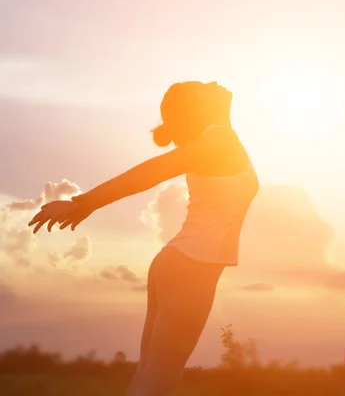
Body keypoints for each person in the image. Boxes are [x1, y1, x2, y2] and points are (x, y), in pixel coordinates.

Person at [28, 81, 260, 396]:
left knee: (147, 379)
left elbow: (224, 117)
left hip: (177, 265)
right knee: (158, 384)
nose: (213, 85)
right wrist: (86, 203)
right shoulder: (217, 142)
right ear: (199, 108)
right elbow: (150, 172)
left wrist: (221, 104)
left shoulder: (217, 140)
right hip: (192, 269)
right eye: (204, 88)